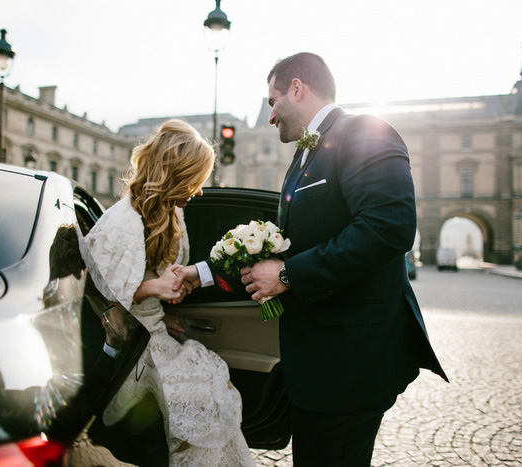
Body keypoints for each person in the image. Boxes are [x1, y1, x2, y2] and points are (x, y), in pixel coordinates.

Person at [175, 52, 447, 466]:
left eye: (272, 101)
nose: (270, 116)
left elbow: (388, 227)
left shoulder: (367, 132)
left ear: (297, 88)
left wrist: (288, 274)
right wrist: (201, 274)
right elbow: (279, 241)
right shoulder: (302, 158)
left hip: (350, 363)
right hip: (319, 366)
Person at [75, 119, 254, 466]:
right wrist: (152, 288)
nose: (199, 191)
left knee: (209, 388)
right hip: (128, 342)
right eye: (194, 180)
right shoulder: (122, 222)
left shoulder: (171, 212)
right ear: (173, 174)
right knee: (201, 392)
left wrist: (170, 293)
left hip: (154, 329)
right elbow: (98, 297)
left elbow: (159, 274)